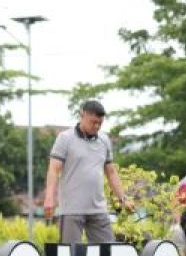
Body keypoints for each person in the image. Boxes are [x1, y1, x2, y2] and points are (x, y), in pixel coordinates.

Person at [43, 100, 134, 244]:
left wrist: (123, 199)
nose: (97, 126)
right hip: (71, 209)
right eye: (93, 122)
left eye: (100, 123)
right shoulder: (65, 138)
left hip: (98, 209)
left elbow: (111, 173)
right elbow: (54, 169)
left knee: (108, 252)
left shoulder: (104, 140)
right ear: (82, 115)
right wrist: (49, 198)